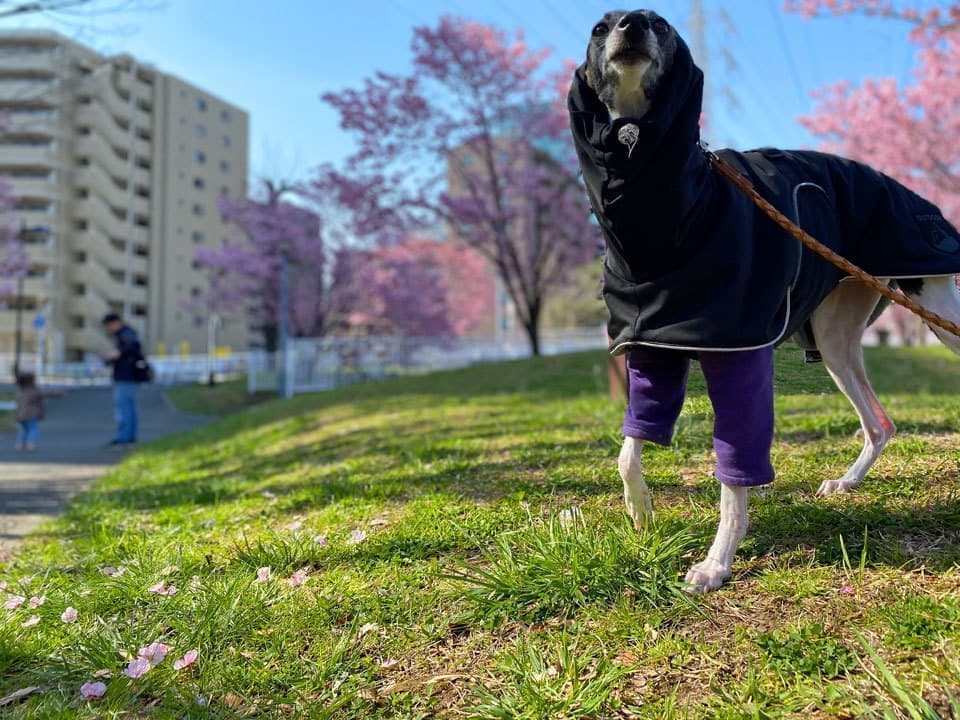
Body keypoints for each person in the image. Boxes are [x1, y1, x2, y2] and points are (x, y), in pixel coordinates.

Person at [102, 312, 141, 446]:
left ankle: (123, 437)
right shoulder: (128, 333)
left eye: (109, 326)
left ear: (115, 323)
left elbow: (130, 347)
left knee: (124, 407)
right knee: (128, 407)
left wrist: (116, 354)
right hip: (128, 375)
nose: (108, 329)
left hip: (125, 375)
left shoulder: (126, 334)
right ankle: (129, 435)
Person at [14, 371, 44, 452]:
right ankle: (31, 444)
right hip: (31, 414)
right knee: (33, 428)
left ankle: (20, 444)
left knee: (23, 429)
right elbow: (43, 394)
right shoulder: (34, 390)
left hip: (20, 414)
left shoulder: (20, 390)